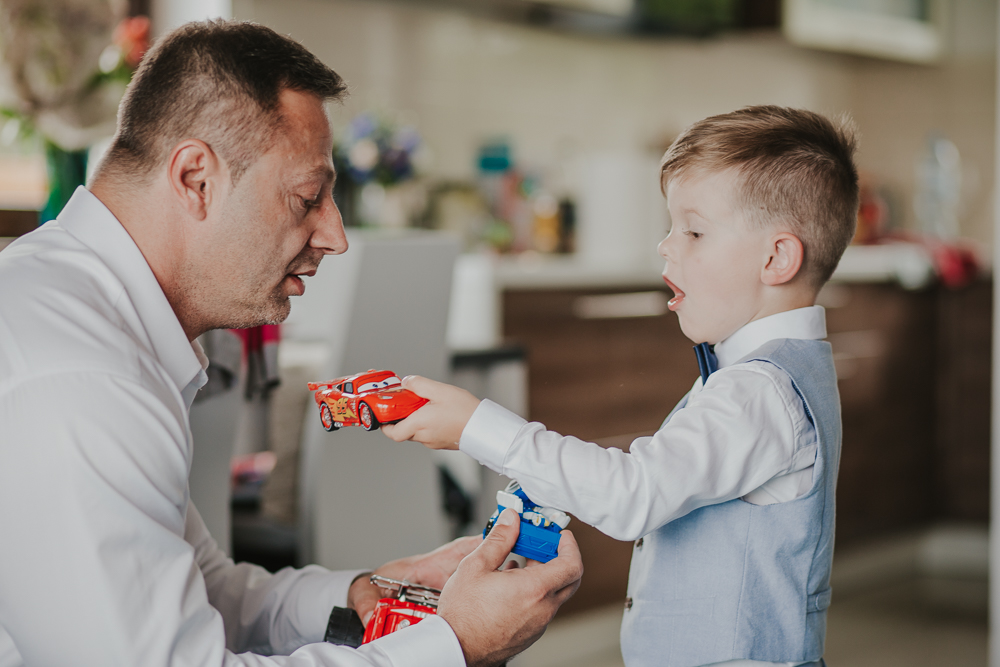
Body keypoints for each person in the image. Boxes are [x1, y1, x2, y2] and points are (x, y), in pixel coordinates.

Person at [0, 20, 582, 667]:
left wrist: (367, 593)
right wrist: (456, 644)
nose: (336, 236)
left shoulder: (88, 313)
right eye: (308, 197)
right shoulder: (83, 382)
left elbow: (195, 587)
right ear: (196, 179)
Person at [384, 106, 860, 667]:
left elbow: (634, 493)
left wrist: (475, 426)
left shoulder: (760, 394)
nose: (666, 246)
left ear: (776, 257)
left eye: (694, 230)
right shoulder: (767, 375)